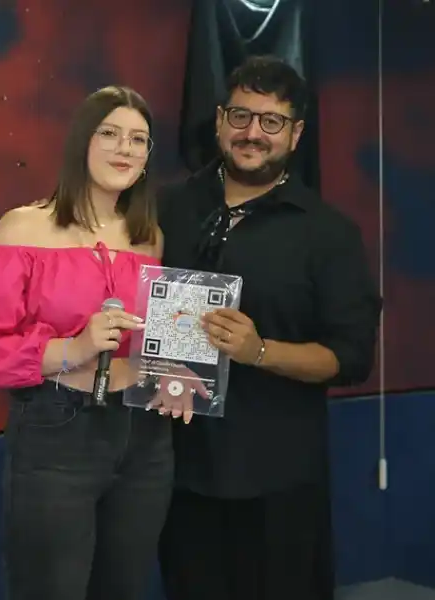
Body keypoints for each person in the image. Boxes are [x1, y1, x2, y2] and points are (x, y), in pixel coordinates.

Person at [156, 55, 382, 600]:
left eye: (271, 121)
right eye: (240, 116)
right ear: (219, 121)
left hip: (279, 483)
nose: (252, 133)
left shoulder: (328, 234)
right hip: (176, 474)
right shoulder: (166, 209)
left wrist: (260, 351)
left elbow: (352, 358)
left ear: (295, 133)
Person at [0, 86, 174, 600]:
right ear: (82, 142)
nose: (124, 148)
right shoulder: (23, 228)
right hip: (57, 431)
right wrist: (75, 347)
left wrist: (177, 370)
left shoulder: (150, 237)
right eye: (110, 133)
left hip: (144, 437)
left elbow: (156, 339)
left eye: (138, 139)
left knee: (124, 587)